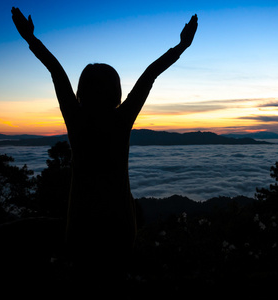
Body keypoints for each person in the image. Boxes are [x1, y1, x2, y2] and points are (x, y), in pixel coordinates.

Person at [11, 7, 197, 284]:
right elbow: (150, 75)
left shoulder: (75, 117)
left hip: (80, 225)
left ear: (81, 90)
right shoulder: (121, 118)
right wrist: (182, 45)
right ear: (117, 91)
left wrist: (30, 38)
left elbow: (55, 70)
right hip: (119, 223)